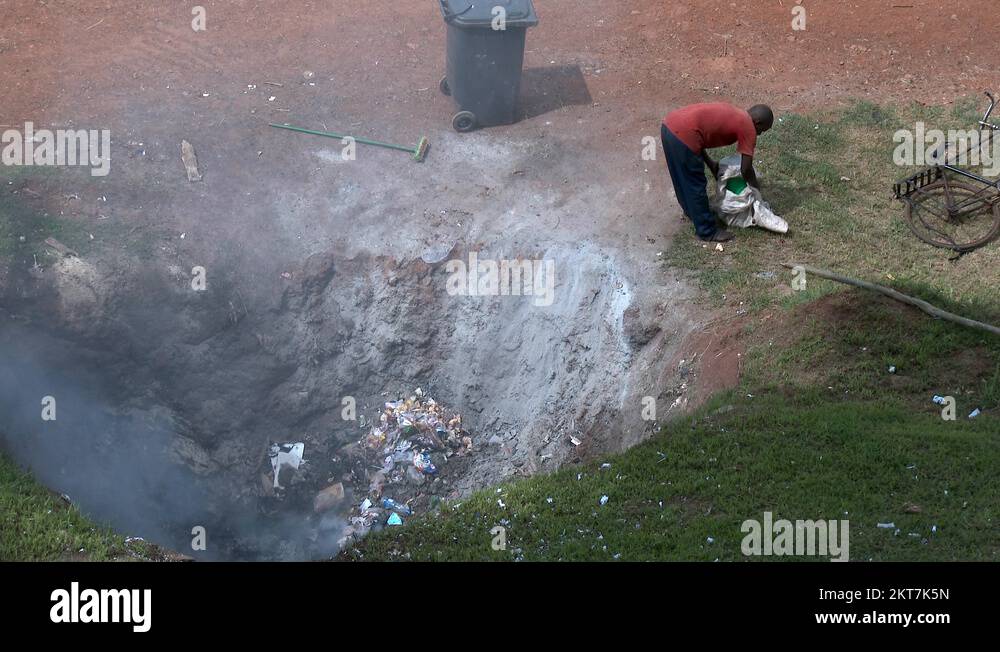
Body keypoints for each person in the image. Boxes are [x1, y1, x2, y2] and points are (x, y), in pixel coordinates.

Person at [661, 103, 774, 242]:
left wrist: (711, 164)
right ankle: (707, 231)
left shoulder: (736, 113)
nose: (759, 134)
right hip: (684, 135)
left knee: (681, 177)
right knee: (695, 185)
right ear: (757, 122)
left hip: (669, 126)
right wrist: (756, 191)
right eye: (762, 130)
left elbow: (697, 134)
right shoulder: (748, 126)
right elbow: (746, 169)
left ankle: (691, 211)